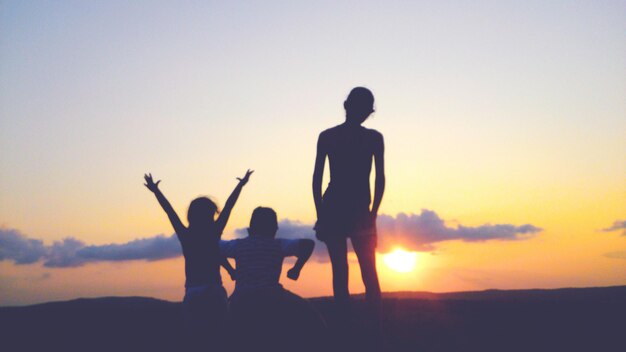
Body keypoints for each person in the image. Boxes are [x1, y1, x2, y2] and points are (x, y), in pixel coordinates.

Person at [143, 170, 252, 350]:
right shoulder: (214, 231)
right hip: (214, 290)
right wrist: (240, 185)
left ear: (191, 215)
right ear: (212, 215)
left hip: (193, 292)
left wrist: (156, 191)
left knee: (194, 337)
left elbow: (169, 211)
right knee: (221, 334)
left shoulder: (186, 235)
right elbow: (229, 207)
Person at [312, 87, 385, 326]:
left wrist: (322, 214)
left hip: (341, 210)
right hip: (351, 210)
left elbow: (316, 180)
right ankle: (365, 322)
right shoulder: (371, 138)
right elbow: (380, 179)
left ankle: (354, 322)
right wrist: (372, 214)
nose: (364, 113)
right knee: (362, 270)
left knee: (350, 270)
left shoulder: (330, 136)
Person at [220, 206, 325, 351]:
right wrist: (296, 269)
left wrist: (230, 270)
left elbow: (213, 247)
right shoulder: (278, 244)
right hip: (272, 295)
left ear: (251, 228)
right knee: (313, 318)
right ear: (273, 228)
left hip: (241, 298)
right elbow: (309, 244)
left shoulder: (238, 245)